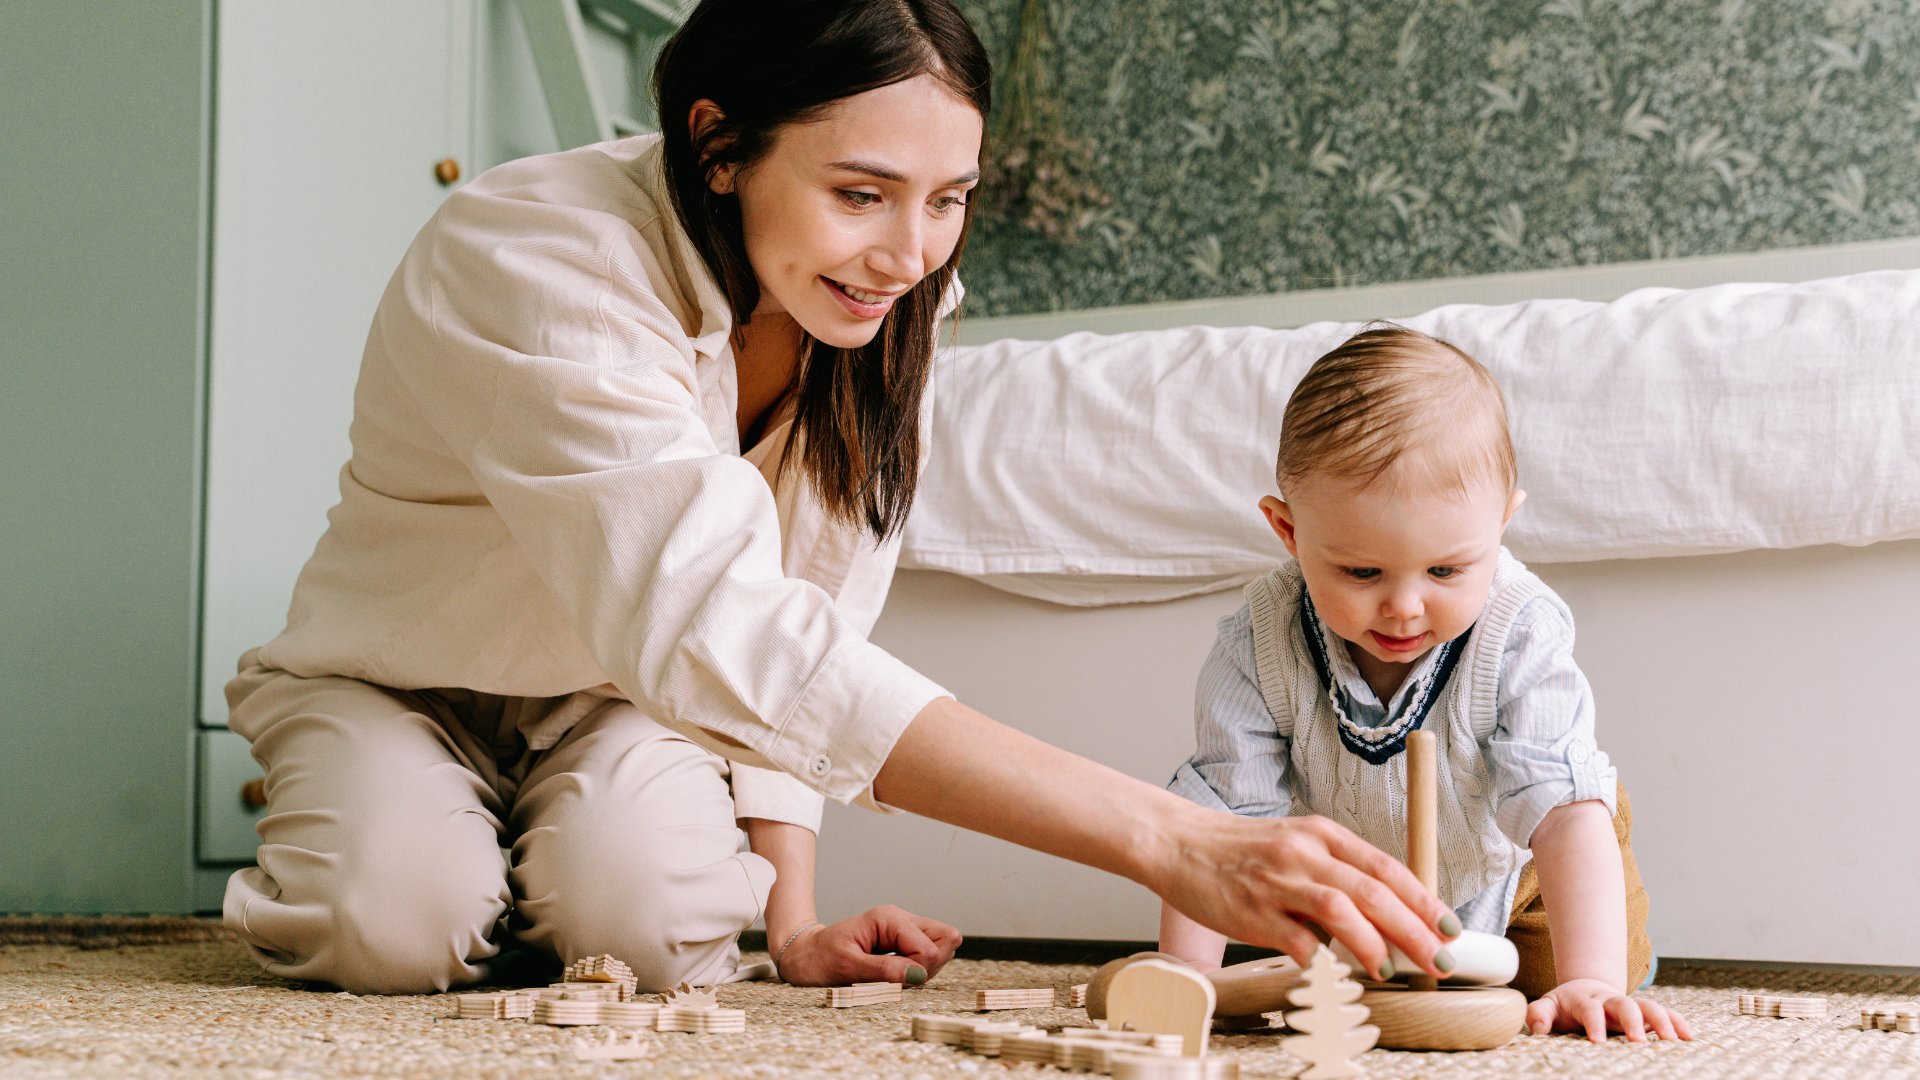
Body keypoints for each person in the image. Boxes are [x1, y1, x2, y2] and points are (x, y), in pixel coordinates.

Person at [220, 0, 1459, 996]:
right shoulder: (538, 258)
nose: (909, 254)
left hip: (616, 705)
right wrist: (1172, 838)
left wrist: (795, 920)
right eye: (861, 193)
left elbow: (808, 609)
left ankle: (543, 872)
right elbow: (718, 622)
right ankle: (446, 856)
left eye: (949, 199)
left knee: (657, 936)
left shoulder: (888, 304)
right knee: (389, 924)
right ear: (719, 146)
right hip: (396, 676)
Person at [1158, 325, 1694, 1043]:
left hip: (1524, 862)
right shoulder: (1259, 641)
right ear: (1288, 532)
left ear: (1501, 523)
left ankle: (1603, 962)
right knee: (1316, 978)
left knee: (1556, 988)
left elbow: (1562, 813)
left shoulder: (1522, 627)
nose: (1405, 606)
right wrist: (1185, 982)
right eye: (1362, 572)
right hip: (1363, 885)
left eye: (1445, 571)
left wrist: (1591, 978)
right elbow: (1218, 827)